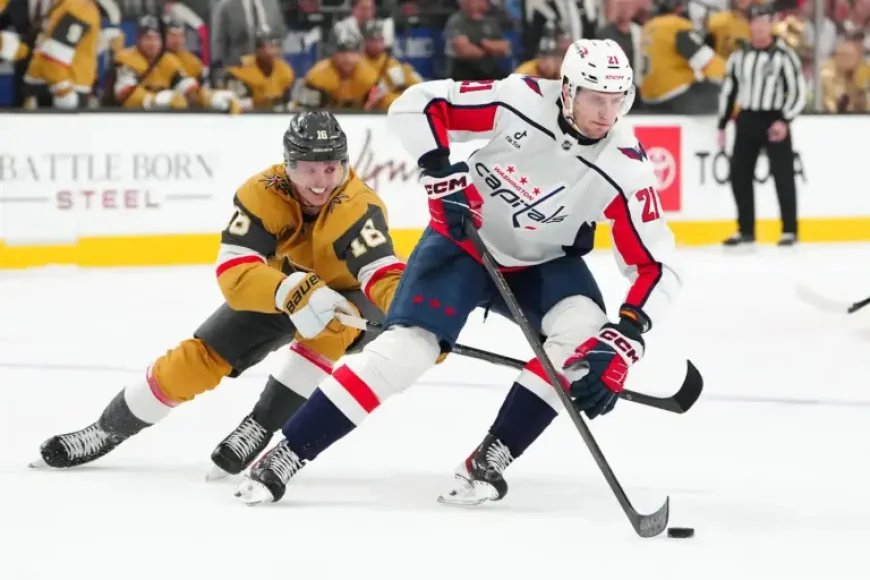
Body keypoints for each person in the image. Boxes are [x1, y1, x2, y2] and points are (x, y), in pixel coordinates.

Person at [235, 38, 681, 506]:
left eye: (617, 100)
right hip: (463, 243)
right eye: (595, 98)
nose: (607, 114)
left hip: (545, 263)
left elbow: (657, 266)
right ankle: (285, 453)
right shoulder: (521, 99)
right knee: (406, 352)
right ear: (567, 89)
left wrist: (626, 337)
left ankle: (492, 456)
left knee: (584, 338)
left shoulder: (627, 168)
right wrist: (438, 171)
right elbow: (416, 105)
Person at [29, 112, 406, 476]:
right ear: (288, 165)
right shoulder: (261, 192)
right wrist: (291, 289)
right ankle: (106, 428)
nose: (322, 180)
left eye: (330, 167)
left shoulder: (359, 206)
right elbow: (234, 273)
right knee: (200, 356)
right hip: (287, 286)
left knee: (331, 325)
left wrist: (414, 316)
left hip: (350, 295)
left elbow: (382, 274)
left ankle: (261, 424)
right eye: (309, 167)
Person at [718, 4, 807, 248]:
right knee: (740, 175)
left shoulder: (783, 54)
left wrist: (785, 120)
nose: (759, 27)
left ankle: (789, 229)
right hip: (747, 118)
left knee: (783, 175)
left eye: (764, 21)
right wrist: (722, 124)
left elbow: (798, 91)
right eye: (755, 22)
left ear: (772, 23)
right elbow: (729, 90)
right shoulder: (740, 55)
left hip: (774, 119)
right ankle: (746, 229)